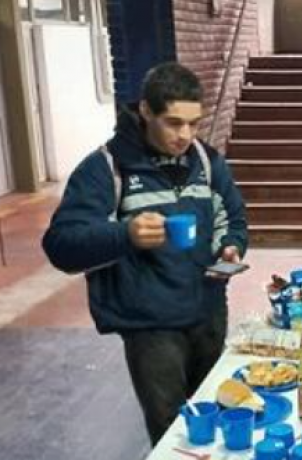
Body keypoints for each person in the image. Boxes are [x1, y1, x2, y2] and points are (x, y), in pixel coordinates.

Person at [42, 62, 248, 445]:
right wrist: (126, 234)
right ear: (145, 112)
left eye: (194, 123)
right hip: (150, 329)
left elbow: (232, 216)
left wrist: (230, 246)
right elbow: (61, 246)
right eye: (173, 122)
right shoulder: (107, 168)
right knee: (173, 432)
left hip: (207, 314)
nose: (185, 135)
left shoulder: (206, 161)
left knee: (220, 418)